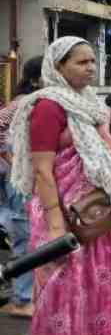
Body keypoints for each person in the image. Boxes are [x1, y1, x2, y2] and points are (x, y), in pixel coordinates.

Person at [9, 37, 111, 335]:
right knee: (62, 296)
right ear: (58, 66)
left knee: (97, 292)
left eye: (93, 61)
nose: (90, 68)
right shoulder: (48, 107)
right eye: (81, 62)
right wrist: (54, 225)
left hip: (94, 219)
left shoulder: (89, 105)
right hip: (63, 219)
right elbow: (43, 171)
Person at [0, 55, 43, 319]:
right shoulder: (25, 103)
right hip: (18, 178)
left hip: (19, 175)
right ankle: (22, 298)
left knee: (21, 230)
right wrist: (11, 157)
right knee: (23, 235)